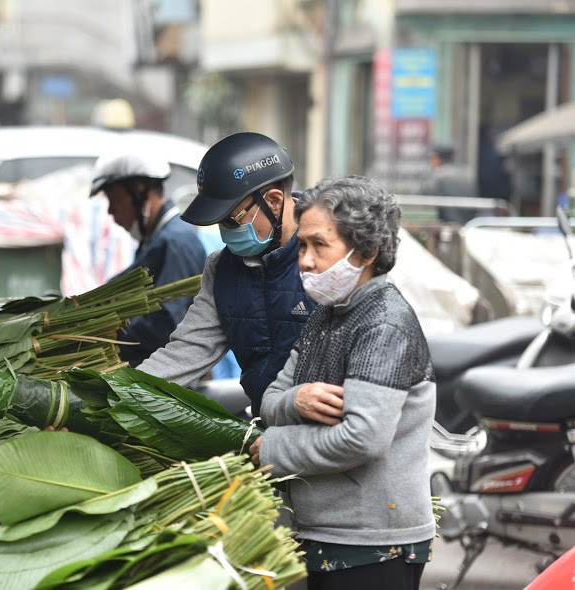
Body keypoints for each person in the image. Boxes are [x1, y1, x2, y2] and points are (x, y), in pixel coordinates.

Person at [249, 176, 436, 590]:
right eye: (301, 245)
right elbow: (271, 399)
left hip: (371, 546)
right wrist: (298, 399)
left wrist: (272, 448)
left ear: (366, 251)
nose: (305, 260)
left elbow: (363, 438)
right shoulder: (325, 314)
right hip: (324, 535)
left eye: (319, 245)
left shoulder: (384, 324)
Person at [137, 132, 315, 416]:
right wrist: (112, 395)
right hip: (267, 431)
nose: (225, 232)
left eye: (232, 219)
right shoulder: (222, 270)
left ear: (274, 201)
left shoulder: (330, 261)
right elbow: (185, 352)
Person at [90, 153, 207, 366]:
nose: (110, 211)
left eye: (113, 199)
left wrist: (101, 336)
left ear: (139, 191)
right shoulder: (155, 241)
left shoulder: (177, 242)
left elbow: (165, 325)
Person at [420, 142, 478, 224]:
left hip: (448, 229)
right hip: (467, 225)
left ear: (436, 157)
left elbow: (423, 200)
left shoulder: (437, 177)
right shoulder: (465, 175)